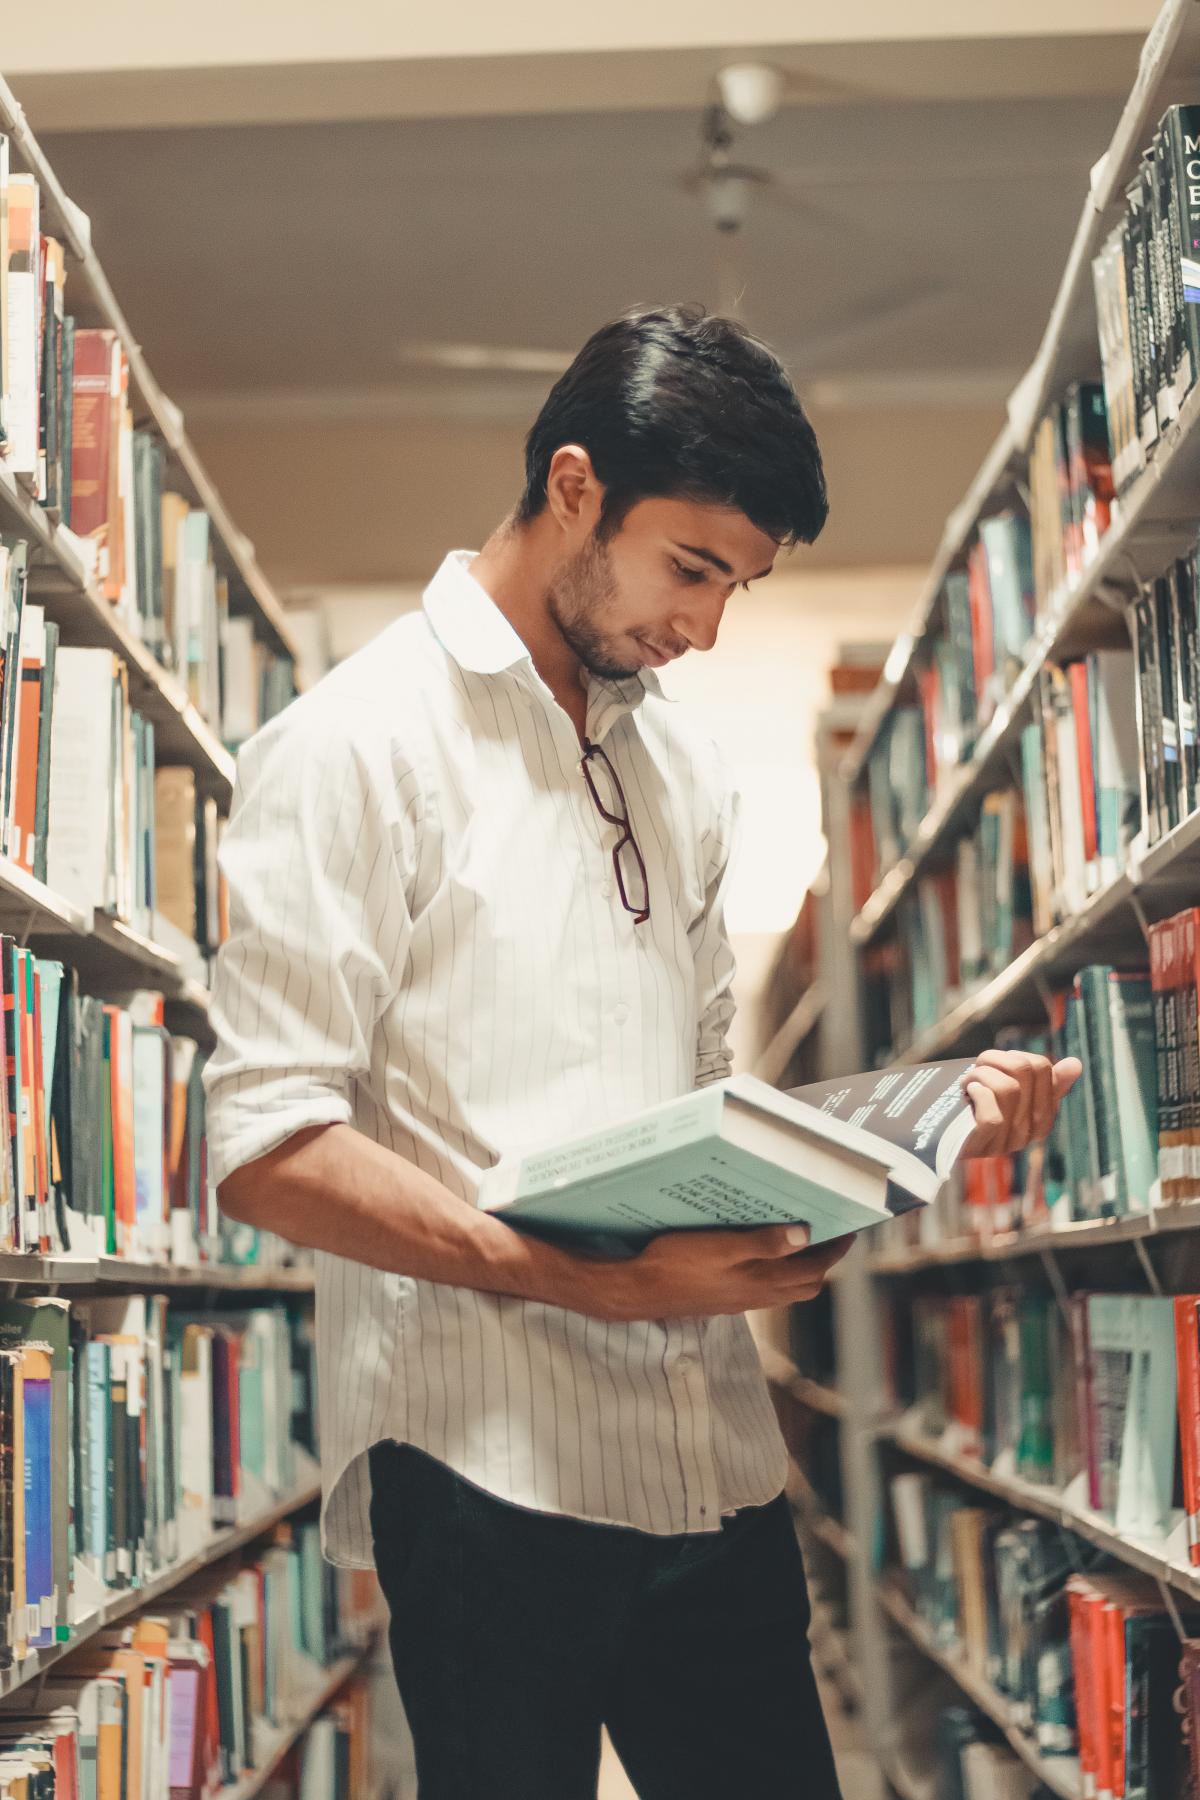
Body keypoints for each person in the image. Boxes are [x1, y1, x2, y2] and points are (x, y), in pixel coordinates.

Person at [207, 303, 1080, 1799]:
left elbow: (700, 1105)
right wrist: (594, 1282)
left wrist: (908, 1129)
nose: (708, 627)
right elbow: (269, 1145)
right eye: (692, 568)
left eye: (739, 584)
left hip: (712, 1457)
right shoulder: (356, 747)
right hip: (484, 1476)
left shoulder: (679, 760)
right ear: (570, 488)